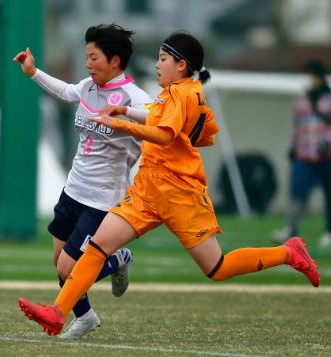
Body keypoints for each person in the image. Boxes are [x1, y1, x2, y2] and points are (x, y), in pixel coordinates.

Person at [18, 32, 321, 336]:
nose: (158, 65)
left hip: (181, 196)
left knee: (217, 267)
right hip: (148, 188)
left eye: (164, 59)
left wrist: (120, 122)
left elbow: (165, 134)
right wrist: (125, 111)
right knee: (98, 246)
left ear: (182, 64)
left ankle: (288, 252)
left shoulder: (184, 94)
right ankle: (58, 313)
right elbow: (203, 133)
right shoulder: (178, 92)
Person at [13, 24, 153, 339]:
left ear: (115, 60)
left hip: (102, 201)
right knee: (58, 259)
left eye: (94, 57)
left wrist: (127, 116)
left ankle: (117, 259)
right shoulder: (89, 86)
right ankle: (86, 316)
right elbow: (65, 91)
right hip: (73, 189)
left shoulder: (135, 99)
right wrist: (33, 72)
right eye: (86, 57)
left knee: (67, 268)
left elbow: (159, 126)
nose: (88, 63)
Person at [272, 60, 331, 248]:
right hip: (304, 155)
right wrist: (293, 146)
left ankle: (328, 231)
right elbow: (297, 125)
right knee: (297, 191)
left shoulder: (328, 99)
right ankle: (291, 228)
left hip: (326, 156)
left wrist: (327, 142)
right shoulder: (302, 98)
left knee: (329, 195)